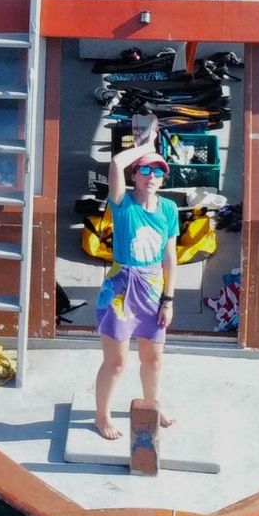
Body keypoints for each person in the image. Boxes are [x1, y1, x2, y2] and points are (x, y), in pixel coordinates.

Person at [93, 141, 178, 440]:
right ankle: (102, 416)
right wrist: (146, 144)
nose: (151, 176)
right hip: (120, 289)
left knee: (153, 358)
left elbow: (170, 256)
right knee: (116, 362)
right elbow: (115, 163)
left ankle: (153, 405)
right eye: (144, 169)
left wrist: (168, 299)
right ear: (135, 176)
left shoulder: (169, 208)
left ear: (163, 179)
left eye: (157, 171)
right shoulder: (123, 203)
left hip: (153, 289)